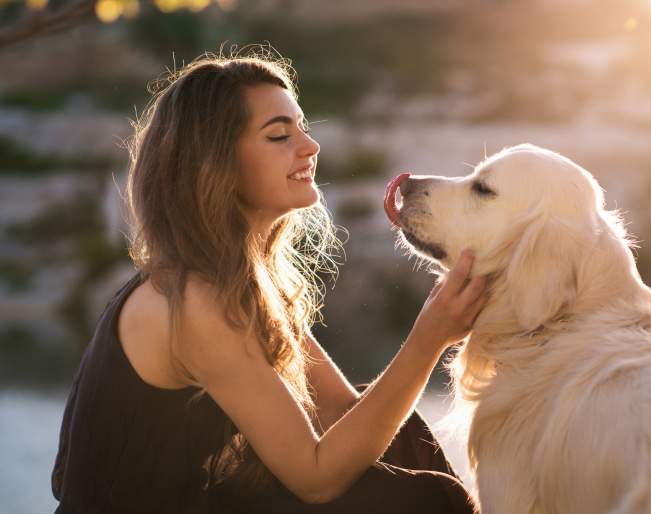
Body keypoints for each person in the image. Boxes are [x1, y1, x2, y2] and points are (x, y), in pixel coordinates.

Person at [52, 51, 487, 514]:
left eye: (303, 127)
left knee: (405, 434)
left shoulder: (242, 281)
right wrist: (429, 339)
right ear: (214, 163)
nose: (310, 146)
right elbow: (316, 478)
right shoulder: (193, 301)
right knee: (429, 499)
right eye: (280, 134)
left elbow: (339, 410)